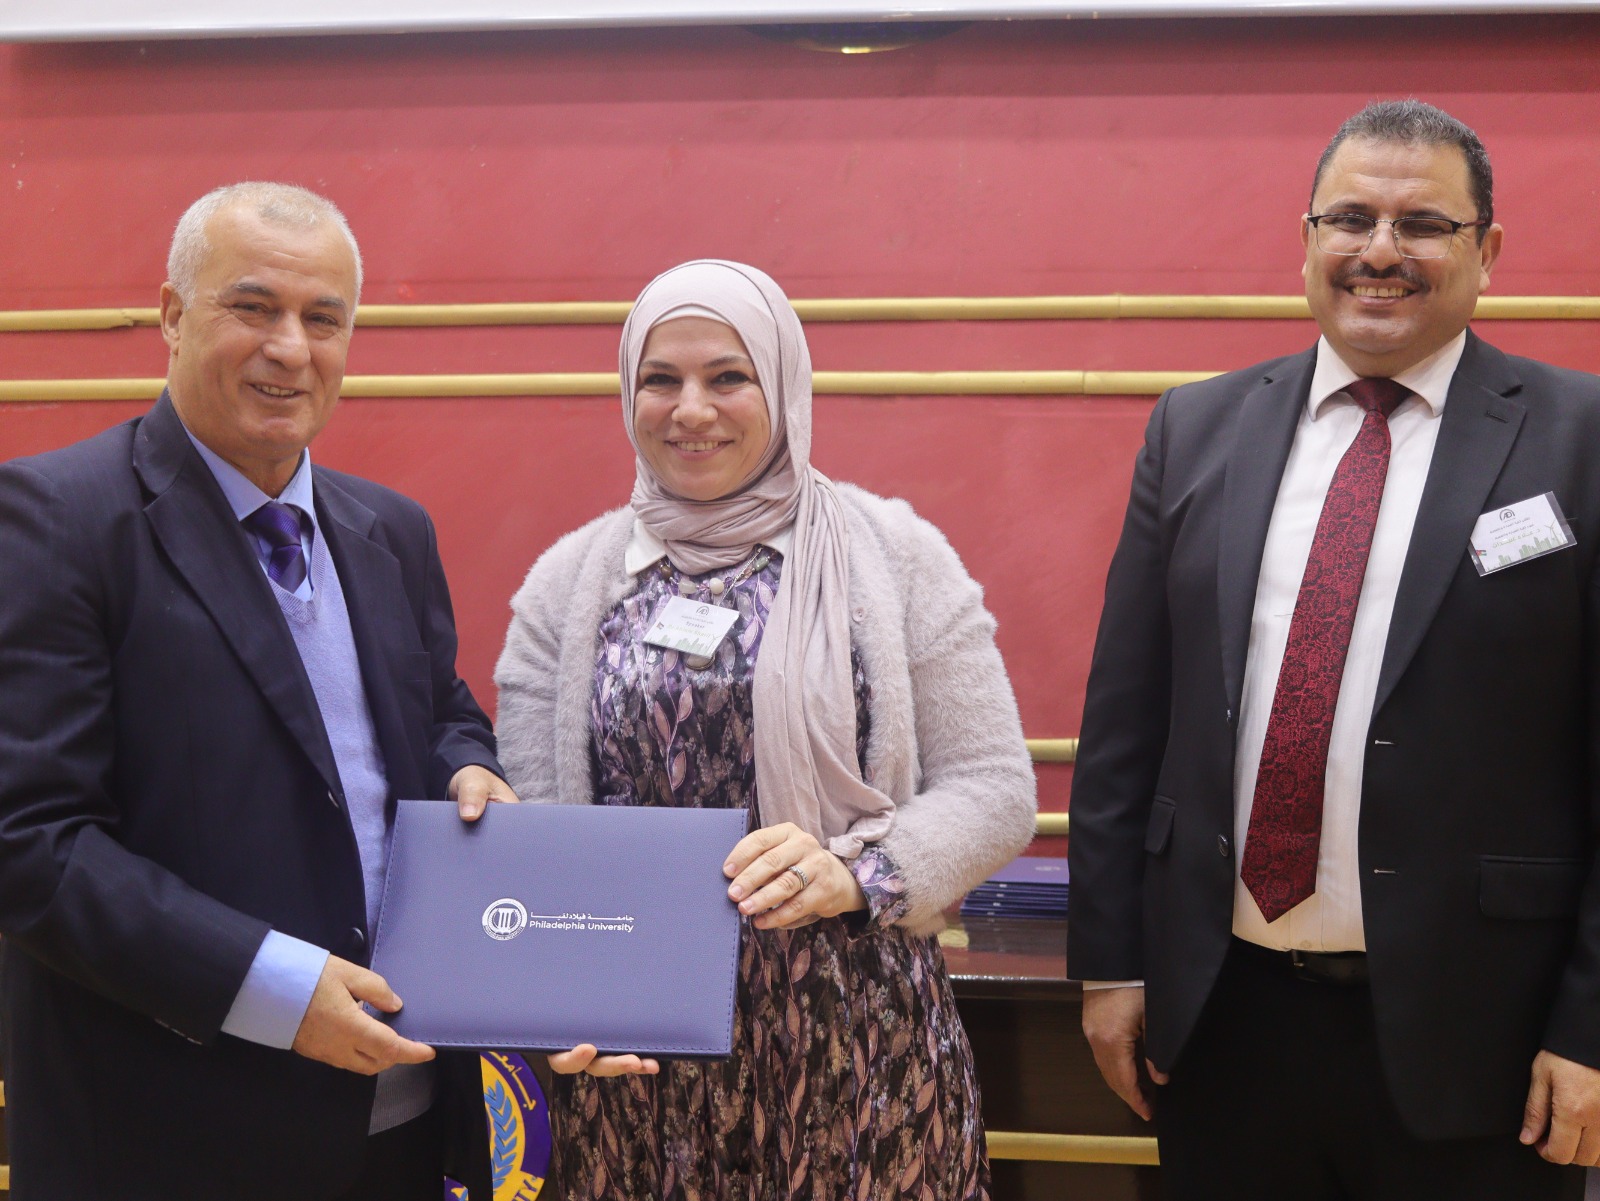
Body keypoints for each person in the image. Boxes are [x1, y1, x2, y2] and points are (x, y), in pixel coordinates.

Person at [1067, 99, 1600, 1200]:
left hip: (1485, 1037)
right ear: (1306, 239)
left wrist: (1592, 1024)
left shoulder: (1581, 439)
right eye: (1350, 218)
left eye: (1424, 224)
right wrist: (1110, 963)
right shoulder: (1195, 428)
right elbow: (1127, 723)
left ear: (1488, 250)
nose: (1380, 251)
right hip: (1220, 1022)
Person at [0, 182, 517, 1201]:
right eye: (253, 307)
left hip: (404, 1123)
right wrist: (270, 986)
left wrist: (469, 764)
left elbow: (440, 713)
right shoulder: (55, 519)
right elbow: (29, 842)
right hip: (166, 1142)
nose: (290, 348)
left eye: (323, 318)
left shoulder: (392, 530)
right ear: (170, 315)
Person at [494, 258, 1036, 1199]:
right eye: (661, 379)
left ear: (783, 383)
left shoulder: (897, 555)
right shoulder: (568, 582)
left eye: (727, 376)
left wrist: (857, 872)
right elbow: (539, 834)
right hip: (639, 1060)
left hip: (858, 1040)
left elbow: (995, 788)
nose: (690, 409)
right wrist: (559, 997)